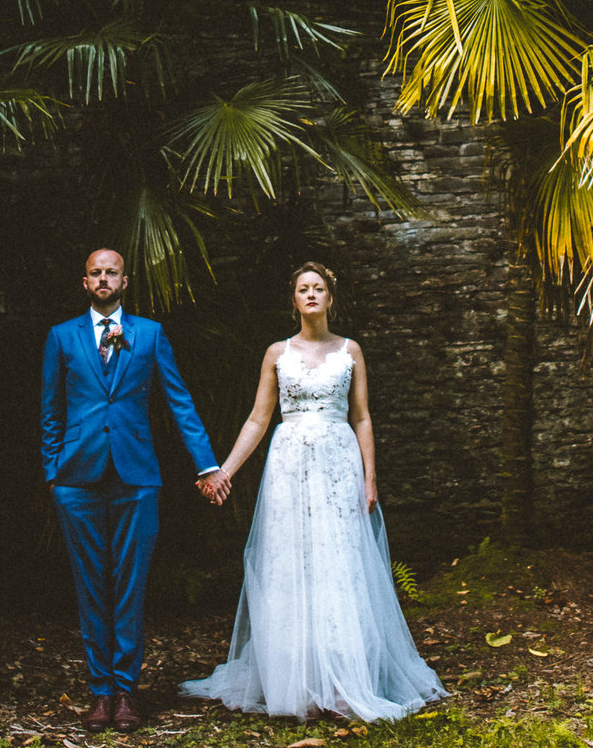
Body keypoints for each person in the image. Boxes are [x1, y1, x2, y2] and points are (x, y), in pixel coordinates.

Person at [181, 262, 447, 722]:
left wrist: (370, 478)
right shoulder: (276, 353)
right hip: (288, 465)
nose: (310, 294)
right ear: (293, 299)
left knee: (339, 559)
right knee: (292, 560)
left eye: (318, 288)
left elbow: (361, 417)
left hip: (338, 462)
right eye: (303, 288)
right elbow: (258, 419)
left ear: (329, 298)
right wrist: (224, 471)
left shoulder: (350, 350)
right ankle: (296, 679)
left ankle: (344, 678)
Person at [42, 247, 228, 731]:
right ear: (85, 283)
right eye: (95, 273)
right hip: (76, 481)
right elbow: (51, 410)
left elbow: (179, 401)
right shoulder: (62, 336)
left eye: (112, 272)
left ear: (125, 282)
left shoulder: (149, 334)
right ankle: (99, 693)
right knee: (90, 587)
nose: (103, 279)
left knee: (129, 586)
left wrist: (207, 464)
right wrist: (53, 473)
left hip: (137, 478)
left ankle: (125, 692)